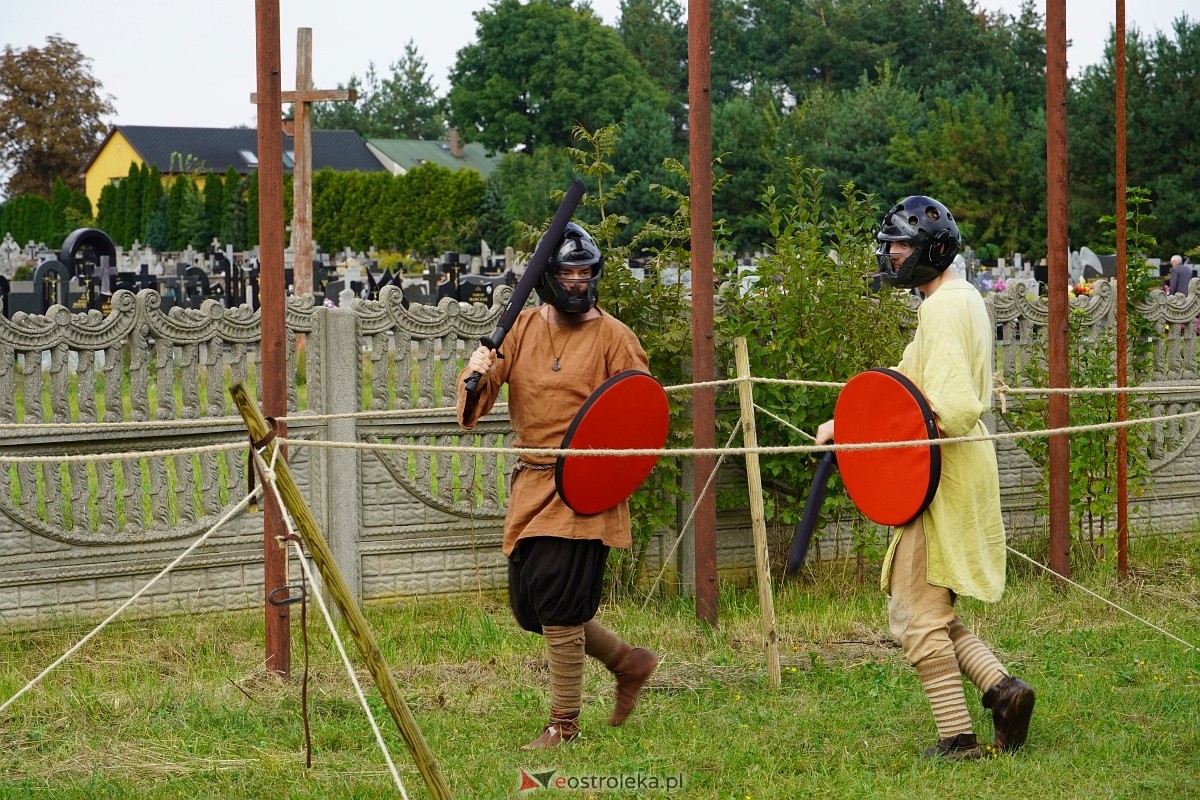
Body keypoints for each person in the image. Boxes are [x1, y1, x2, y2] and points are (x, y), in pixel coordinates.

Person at [815, 196, 1034, 760]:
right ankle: (1002, 692)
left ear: (932, 250)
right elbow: (907, 383)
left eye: (902, 245)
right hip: (955, 472)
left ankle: (957, 738)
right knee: (929, 608)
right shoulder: (960, 299)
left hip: (942, 475)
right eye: (889, 244)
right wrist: (843, 422)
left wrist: (883, 443)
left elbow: (951, 407)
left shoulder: (941, 308)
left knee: (915, 616)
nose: (891, 254)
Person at [456, 221, 657, 751]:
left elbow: (640, 417)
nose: (576, 282)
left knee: (559, 603)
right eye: (566, 273)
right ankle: (628, 661)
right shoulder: (519, 328)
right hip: (532, 482)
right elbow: (479, 400)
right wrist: (475, 371)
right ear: (549, 278)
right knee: (533, 610)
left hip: (584, 488)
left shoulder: (615, 337)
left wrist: (604, 475)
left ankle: (563, 725)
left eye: (584, 272)